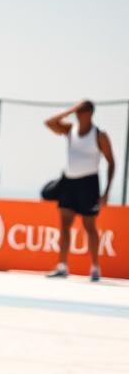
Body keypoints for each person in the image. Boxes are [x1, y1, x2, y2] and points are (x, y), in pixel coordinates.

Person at [43, 100, 116, 281]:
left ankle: (95, 267)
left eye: (81, 111)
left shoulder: (99, 134)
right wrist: (70, 110)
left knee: (89, 226)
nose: (78, 114)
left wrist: (106, 191)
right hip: (69, 183)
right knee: (65, 225)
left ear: (90, 113)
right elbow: (49, 123)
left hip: (89, 184)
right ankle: (62, 266)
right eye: (77, 111)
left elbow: (111, 162)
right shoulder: (70, 130)